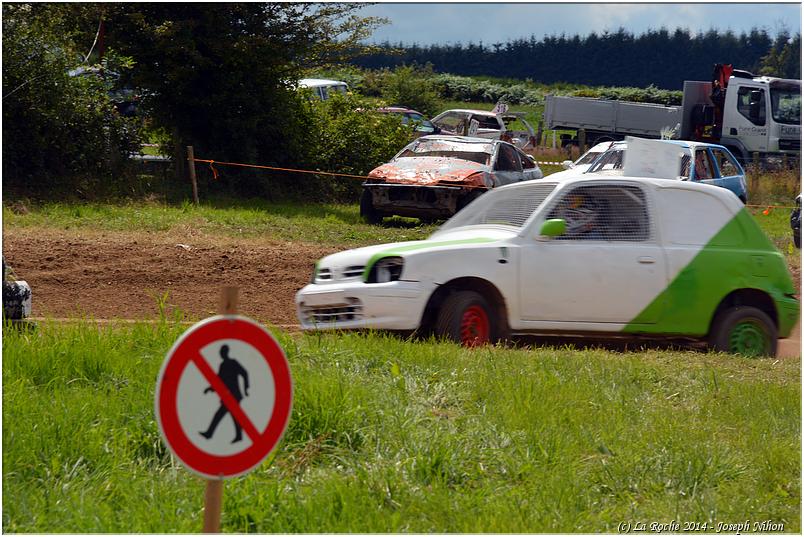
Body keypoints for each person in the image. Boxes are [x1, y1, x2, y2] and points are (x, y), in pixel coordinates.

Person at [199, 344, 250, 443]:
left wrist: (246, 388)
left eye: (222, 352)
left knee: (221, 415)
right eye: (220, 352)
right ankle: (239, 436)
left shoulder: (233, 363)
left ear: (225, 352)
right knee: (234, 416)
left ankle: (209, 433)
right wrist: (210, 388)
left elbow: (244, 373)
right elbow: (219, 380)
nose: (221, 354)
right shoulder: (222, 365)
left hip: (234, 395)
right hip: (227, 395)